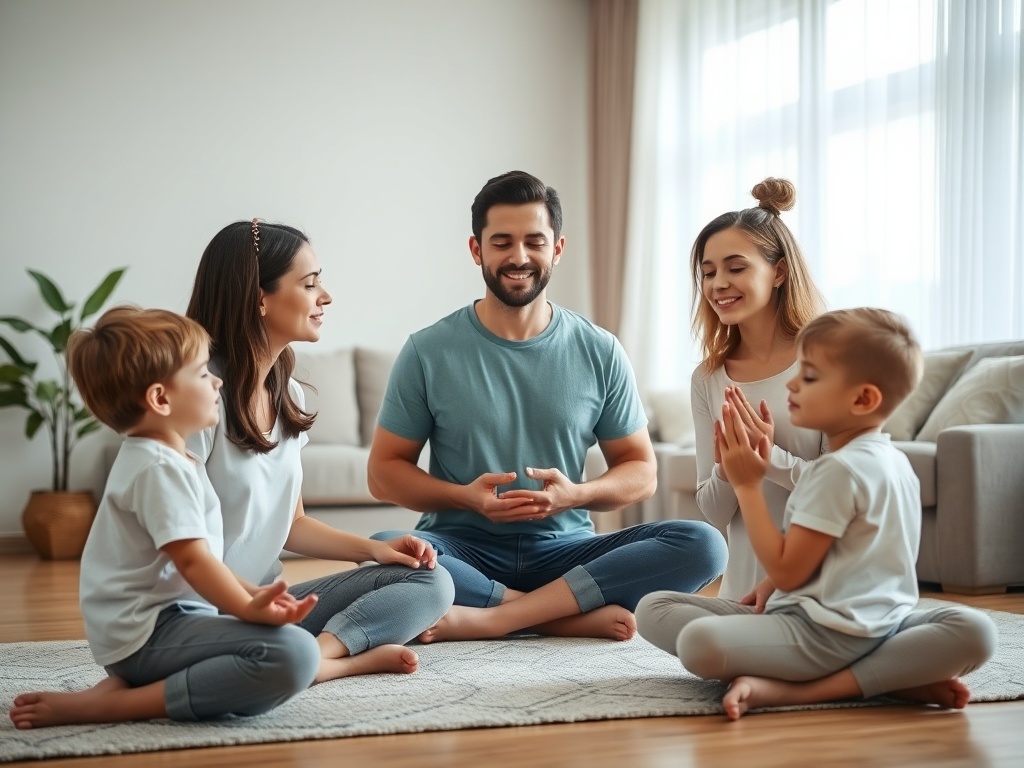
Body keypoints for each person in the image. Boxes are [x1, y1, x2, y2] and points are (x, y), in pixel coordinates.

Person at [366, 171, 727, 642]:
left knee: (703, 545)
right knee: (382, 550)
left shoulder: (600, 349)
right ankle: (556, 616)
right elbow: (383, 473)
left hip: (566, 552)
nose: (519, 257)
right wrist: (464, 497)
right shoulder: (428, 351)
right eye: (502, 242)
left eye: (534, 241)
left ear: (557, 248)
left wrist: (574, 495)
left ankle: (494, 616)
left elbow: (641, 470)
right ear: (477, 251)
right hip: (462, 548)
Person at [636, 308, 997, 720]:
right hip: (883, 627)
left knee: (697, 641)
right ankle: (891, 677)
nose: (791, 383)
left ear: (863, 398)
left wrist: (749, 484)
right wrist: (772, 582)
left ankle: (796, 690)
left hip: (821, 635)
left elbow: (792, 573)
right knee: (976, 631)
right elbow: (854, 553)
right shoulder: (894, 462)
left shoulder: (836, 470)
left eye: (808, 377)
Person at [10, 307, 322, 729]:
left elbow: (205, 561)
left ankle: (132, 688)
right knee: (296, 654)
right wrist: (249, 609)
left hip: (171, 621)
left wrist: (255, 597)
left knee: (293, 648)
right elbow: (194, 563)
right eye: (201, 374)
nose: (218, 381)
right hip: (147, 633)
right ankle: (114, 706)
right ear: (160, 398)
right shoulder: (157, 468)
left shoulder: (177, 460)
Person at [183, 219, 454, 681]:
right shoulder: (197, 393)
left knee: (432, 581)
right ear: (259, 297)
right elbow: (181, 551)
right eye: (309, 284)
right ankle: (318, 660)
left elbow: (292, 525)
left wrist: (373, 550)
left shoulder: (289, 392)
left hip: (265, 609)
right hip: (202, 612)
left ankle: (319, 655)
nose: (325, 297)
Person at [690, 178, 828, 604]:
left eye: (736, 267)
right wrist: (729, 468)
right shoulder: (708, 378)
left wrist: (768, 459)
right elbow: (713, 512)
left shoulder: (825, 360)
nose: (717, 285)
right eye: (708, 273)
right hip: (742, 597)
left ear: (779, 271)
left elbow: (847, 490)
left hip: (819, 588)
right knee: (656, 610)